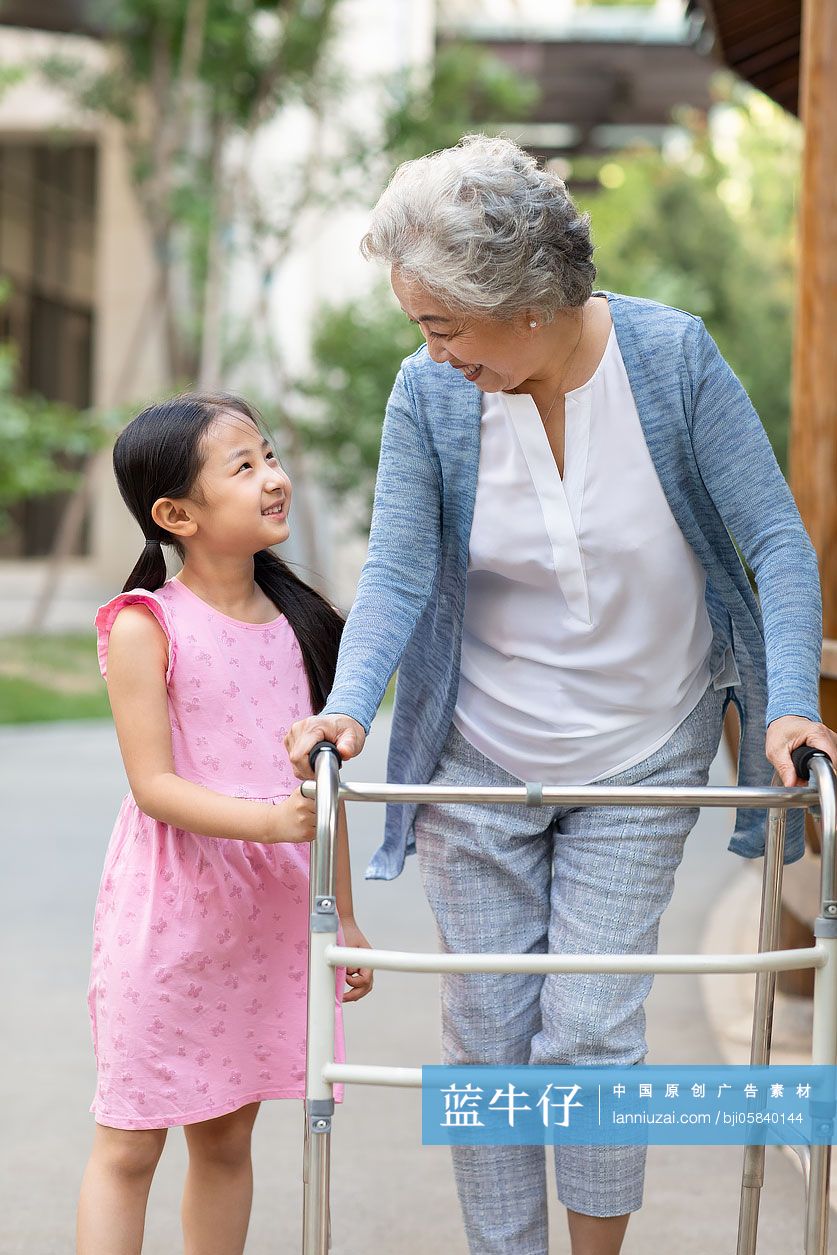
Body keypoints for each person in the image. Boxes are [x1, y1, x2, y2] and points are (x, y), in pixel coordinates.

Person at [284, 134, 837, 1255]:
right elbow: (395, 565)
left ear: (528, 304)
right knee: (485, 1032)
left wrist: (786, 701)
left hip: (643, 748)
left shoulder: (672, 361)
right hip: (480, 751)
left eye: (443, 325)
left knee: (587, 1028)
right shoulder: (427, 396)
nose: (430, 351)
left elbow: (776, 539)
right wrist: (349, 703)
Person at [76, 393, 373, 1255]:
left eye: (269, 456)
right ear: (177, 515)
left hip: (267, 916)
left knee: (227, 1138)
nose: (273, 478)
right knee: (131, 1139)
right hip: (170, 915)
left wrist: (343, 913)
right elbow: (154, 784)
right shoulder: (146, 623)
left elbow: (324, 792)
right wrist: (267, 822)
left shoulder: (304, 625)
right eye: (243, 468)